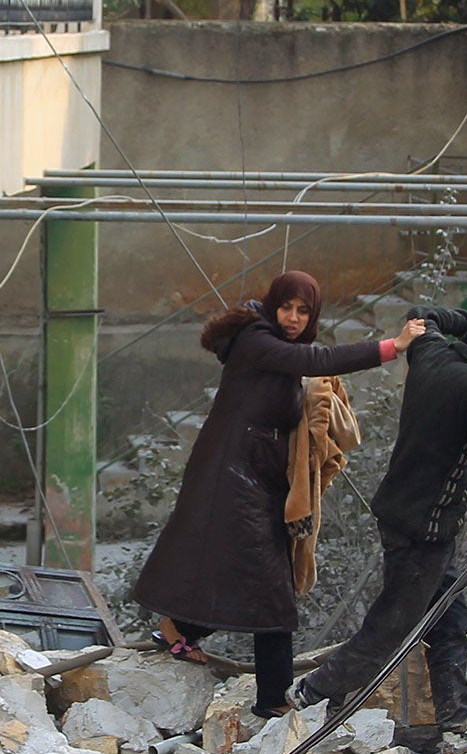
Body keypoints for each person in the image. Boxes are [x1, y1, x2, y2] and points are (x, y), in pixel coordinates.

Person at [134, 275, 422, 718]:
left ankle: (180, 628)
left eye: (303, 311)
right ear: (272, 306)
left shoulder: (270, 346)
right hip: (231, 481)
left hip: (256, 480)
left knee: (251, 577)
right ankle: (273, 702)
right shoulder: (256, 339)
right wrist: (392, 346)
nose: (293, 318)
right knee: (272, 590)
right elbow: (317, 357)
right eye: (286, 307)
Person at [293, 309, 467, 745]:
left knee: (450, 618)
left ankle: (456, 723)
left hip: (403, 515)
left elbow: (423, 316)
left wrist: (463, 319)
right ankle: (312, 691)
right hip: (426, 529)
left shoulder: (430, 353)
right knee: (393, 624)